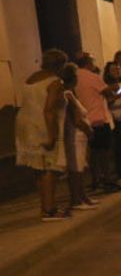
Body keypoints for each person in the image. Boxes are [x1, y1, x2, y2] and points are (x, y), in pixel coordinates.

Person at [15, 49, 69, 221]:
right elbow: (49, 109)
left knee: (38, 168)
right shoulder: (55, 82)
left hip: (25, 123)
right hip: (41, 124)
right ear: (60, 65)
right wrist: (52, 135)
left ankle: (44, 206)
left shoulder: (31, 78)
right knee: (49, 166)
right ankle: (49, 209)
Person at [75, 52, 121, 192]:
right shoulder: (93, 77)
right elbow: (109, 96)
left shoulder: (74, 77)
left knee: (93, 153)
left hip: (84, 119)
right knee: (104, 152)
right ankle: (107, 180)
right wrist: (116, 92)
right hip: (99, 118)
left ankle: (95, 180)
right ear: (89, 63)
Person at [62, 64, 97, 211]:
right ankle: (76, 199)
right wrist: (87, 129)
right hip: (75, 136)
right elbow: (76, 119)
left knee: (81, 167)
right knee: (75, 169)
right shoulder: (68, 94)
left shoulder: (72, 93)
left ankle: (83, 196)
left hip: (80, 136)